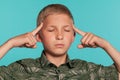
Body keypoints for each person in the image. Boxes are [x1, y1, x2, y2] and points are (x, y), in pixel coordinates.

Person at [0, 4, 120, 80]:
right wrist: (10, 43)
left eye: (66, 30)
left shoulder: (88, 69)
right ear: (39, 36)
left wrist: (106, 45)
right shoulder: (21, 69)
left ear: (73, 36)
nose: (59, 36)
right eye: (51, 30)